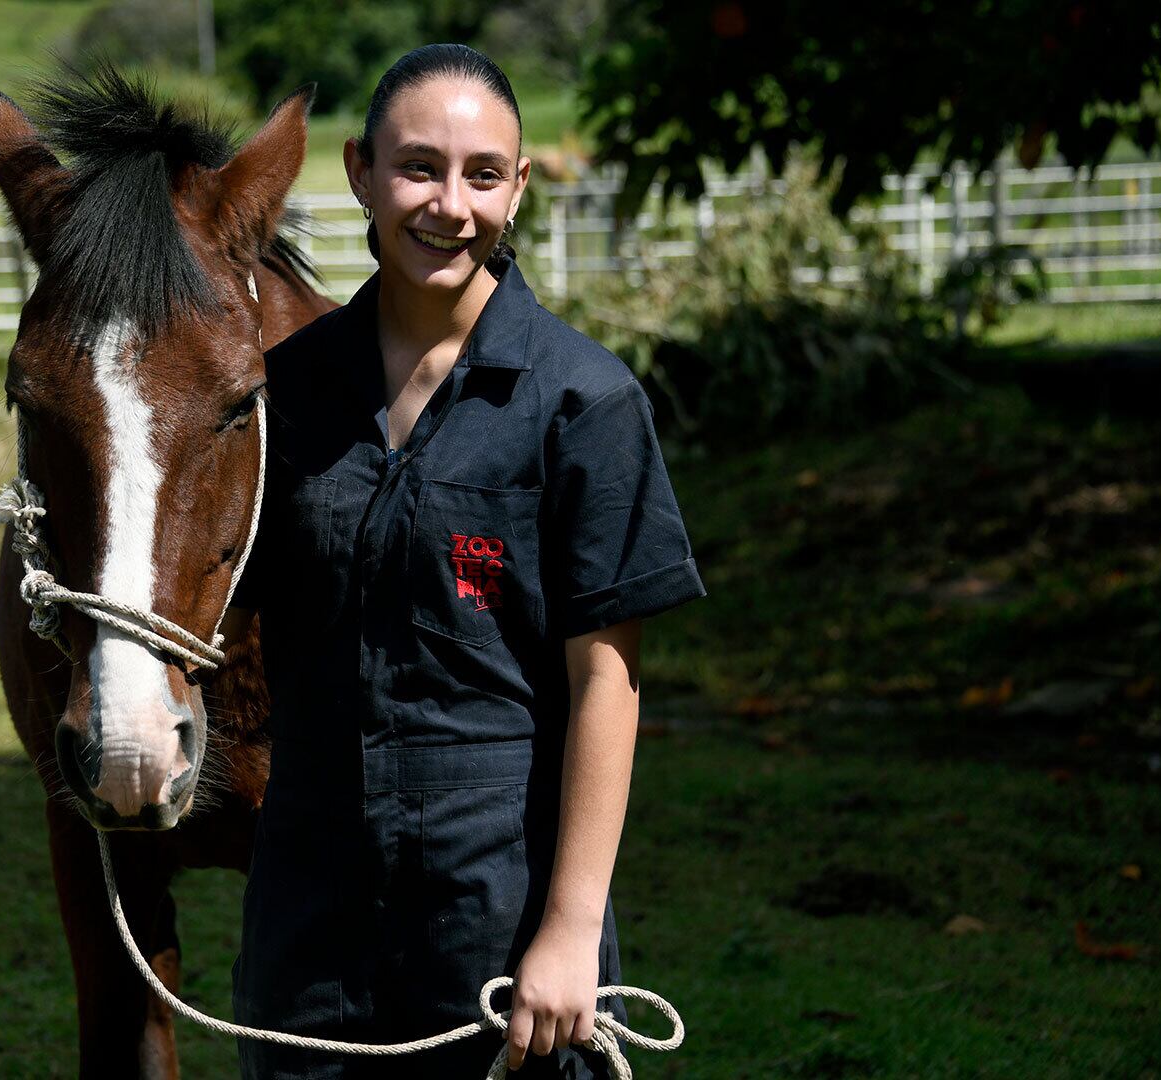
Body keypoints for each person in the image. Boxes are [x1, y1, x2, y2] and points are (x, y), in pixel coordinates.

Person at [220, 43, 706, 1079]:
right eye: (418, 168)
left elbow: (604, 684)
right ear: (357, 170)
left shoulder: (583, 402)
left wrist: (570, 933)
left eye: (482, 174)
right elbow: (209, 605)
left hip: (498, 900)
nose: (450, 205)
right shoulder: (280, 397)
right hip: (307, 910)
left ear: (518, 187)